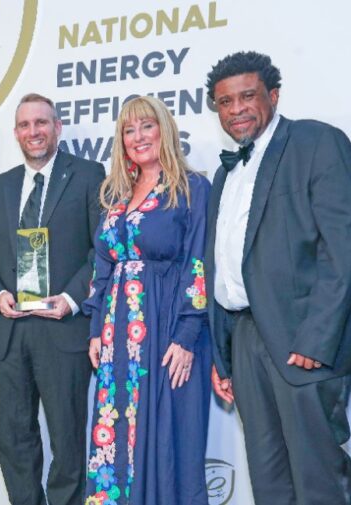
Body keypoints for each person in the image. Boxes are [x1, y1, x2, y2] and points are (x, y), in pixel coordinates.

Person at [204, 51, 351, 505]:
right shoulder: (226, 175)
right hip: (246, 339)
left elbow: (342, 247)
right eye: (225, 102)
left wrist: (316, 339)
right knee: (269, 479)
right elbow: (222, 265)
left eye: (247, 96)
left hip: (303, 340)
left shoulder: (317, 143)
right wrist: (224, 359)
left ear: (273, 96)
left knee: (318, 478)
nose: (236, 108)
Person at [0, 93, 105, 505]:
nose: (34, 132)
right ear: (16, 133)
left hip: (64, 328)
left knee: (67, 441)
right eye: (25, 125)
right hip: (12, 330)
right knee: (14, 438)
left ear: (57, 127)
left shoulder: (88, 175)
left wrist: (71, 297)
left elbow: (101, 251)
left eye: (41, 123)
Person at [82, 96, 212, 504]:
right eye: (128, 130)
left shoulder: (191, 188)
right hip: (116, 338)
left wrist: (188, 334)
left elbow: (198, 261)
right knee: (114, 439)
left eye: (146, 126)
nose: (138, 137)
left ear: (165, 130)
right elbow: (103, 268)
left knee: (169, 440)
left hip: (166, 332)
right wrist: (94, 330)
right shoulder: (114, 193)